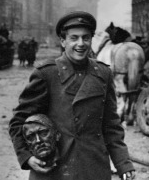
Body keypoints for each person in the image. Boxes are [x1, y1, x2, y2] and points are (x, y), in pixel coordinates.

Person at [9, 11, 135, 180]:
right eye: (74, 38)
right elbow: (18, 121)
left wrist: (123, 163)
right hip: (56, 168)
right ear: (63, 41)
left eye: (86, 38)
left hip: (94, 167)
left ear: (91, 40)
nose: (80, 44)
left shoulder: (103, 73)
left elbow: (111, 125)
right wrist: (27, 157)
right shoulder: (47, 74)